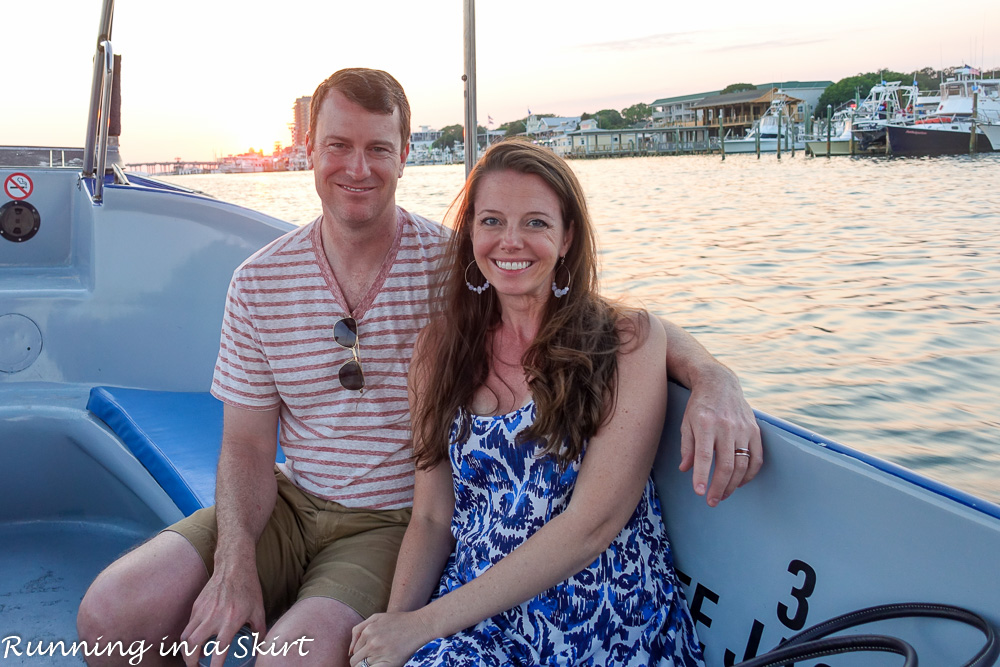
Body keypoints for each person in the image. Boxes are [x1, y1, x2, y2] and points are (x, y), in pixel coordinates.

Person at [77, 69, 760, 667]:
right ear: (308, 149)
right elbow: (248, 443)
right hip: (292, 498)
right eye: (338, 145)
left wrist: (712, 374)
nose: (357, 167)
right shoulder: (262, 282)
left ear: (405, 155)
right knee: (110, 618)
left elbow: (605, 322)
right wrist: (233, 563)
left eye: (378, 148)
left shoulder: (455, 265)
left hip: (395, 522)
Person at [348, 139, 717, 667]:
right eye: (492, 221)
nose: (510, 241)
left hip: (597, 616)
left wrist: (421, 626)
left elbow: (590, 527)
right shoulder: (438, 352)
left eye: (537, 223)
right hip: (471, 617)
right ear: (471, 231)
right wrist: (393, 630)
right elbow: (431, 518)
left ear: (568, 237)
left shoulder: (624, 341)